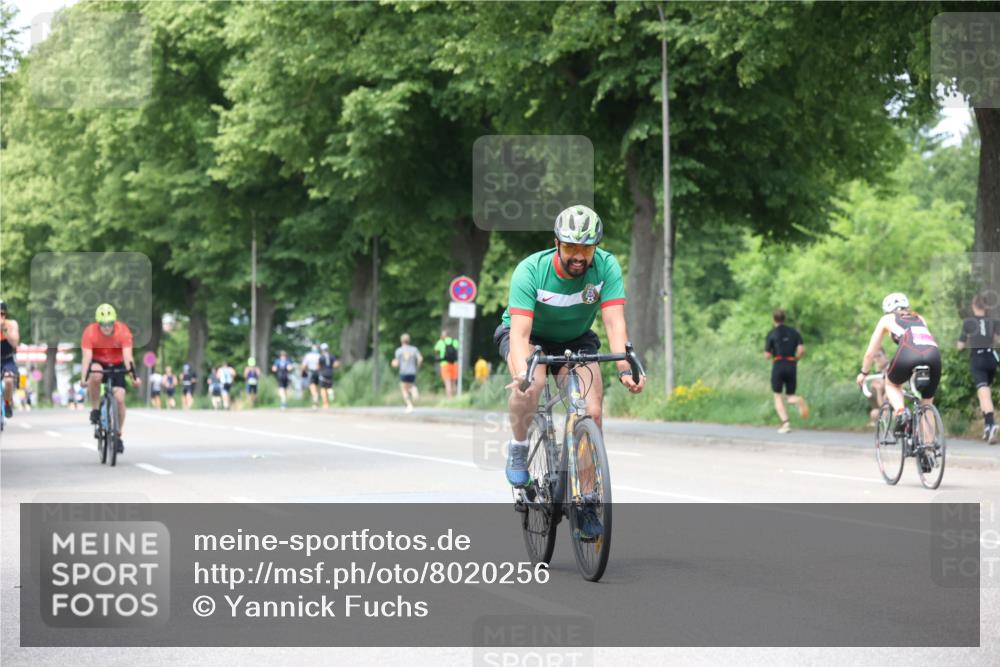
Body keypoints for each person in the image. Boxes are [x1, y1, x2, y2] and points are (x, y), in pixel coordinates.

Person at [496, 204, 645, 540]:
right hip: (529, 336)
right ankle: (519, 447)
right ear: (557, 243)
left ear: (596, 247)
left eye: (586, 248)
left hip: (575, 339)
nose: (579, 256)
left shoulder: (606, 266)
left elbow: (613, 321)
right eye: (571, 248)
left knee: (590, 411)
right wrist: (521, 373)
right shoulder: (530, 270)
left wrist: (624, 366)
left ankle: (587, 501)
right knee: (530, 385)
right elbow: (519, 335)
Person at [857, 293, 942, 472]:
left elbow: (870, 353)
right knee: (927, 403)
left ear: (888, 309)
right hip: (934, 355)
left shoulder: (887, 318)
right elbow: (924, 343)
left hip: (908, 352)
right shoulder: (919, 317)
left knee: (891, 384)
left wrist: (863, 373)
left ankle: (901, 413)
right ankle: (928, 451)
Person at [80, 304, 141, 454]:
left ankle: (118, 435)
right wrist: (83, 378)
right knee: (96, 374)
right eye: (103, 324)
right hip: (99, 362)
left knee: (120, 398)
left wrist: (134, 377)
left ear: (115, 322)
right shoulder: (90, 332)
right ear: (98, 323)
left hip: (117, 363)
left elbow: (128, 357)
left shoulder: (123, 331)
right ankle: (95, 409)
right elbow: (87, 357)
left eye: (110, 324)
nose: (107, 328)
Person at [958, 293, 1000, 443]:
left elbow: (960, 346)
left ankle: (992, 424)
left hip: (978, 358)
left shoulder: (968, 322)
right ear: (986, 307)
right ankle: (988, 428)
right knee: (983, 392)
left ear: (973, 306)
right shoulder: (993, 321)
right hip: (991, 358)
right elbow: (998, 339)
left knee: (984, 393)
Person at [763, 308, 809, 434]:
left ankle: (786, 423)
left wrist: (771, 354)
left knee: (777, 396)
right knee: (790, 396)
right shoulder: (794, 332)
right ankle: (797, 400)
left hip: (778, 364)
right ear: (784, 319)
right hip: (791, 364)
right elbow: (801, 350)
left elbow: (767, 355)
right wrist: (796, 359)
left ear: (774, 320)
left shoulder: (772, 333)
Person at [392, 333, 423, 413]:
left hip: (403, 372)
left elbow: (396, 363)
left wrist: (393, 364)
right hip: (412, 371)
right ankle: (414, 390)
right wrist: (417, 367)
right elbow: (420, 359)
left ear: (401, 341)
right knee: (411, 386)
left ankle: (409, 405)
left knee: (404, 389)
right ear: (409, 341)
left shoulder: (399, 351)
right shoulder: (414, 349)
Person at [1, 300, 21, 420]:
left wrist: (4, 330)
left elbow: (14, 343)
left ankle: (7, 403)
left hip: (7, 359)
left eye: (2, 314)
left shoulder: (12, 324)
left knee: (8, 380)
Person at [866, 348, 890, 426]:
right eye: (874, 357)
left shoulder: (889, 370)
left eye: (879, 356)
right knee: (874, 413)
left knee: (885, 413)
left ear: (885, 355)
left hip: (890, 406)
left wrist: (879, 389)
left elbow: (883, 405)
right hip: (881, 405)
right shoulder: (877, 373)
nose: (877, 359)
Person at [434, 329, 460, 397]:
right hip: (454, 364)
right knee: (454, 382)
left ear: (443, 335)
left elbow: (436, 349)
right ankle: (456, 398)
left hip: (445, 364)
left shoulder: (441, 342)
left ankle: (449, 398)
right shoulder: (455, 341)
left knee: (447, 382)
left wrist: (441, 339)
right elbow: (458, 348)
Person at [317, 343, 339, 408]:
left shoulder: (321, 357)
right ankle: (331, 393)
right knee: (329, 387)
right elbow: (336, 364)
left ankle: (325, 403)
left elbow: (318, 366)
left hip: (323, 373)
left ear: (322, 349)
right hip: (330, 373)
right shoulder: (332, 356)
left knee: (323, 388)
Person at [301, 344, 322, 409]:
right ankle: (317, 400)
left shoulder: (308, 356)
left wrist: (302, 372)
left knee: (312, 387)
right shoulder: (320, 356)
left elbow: (304, 365)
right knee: (318, 387)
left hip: (311, 372)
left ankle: (315, 401)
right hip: (319, 372)